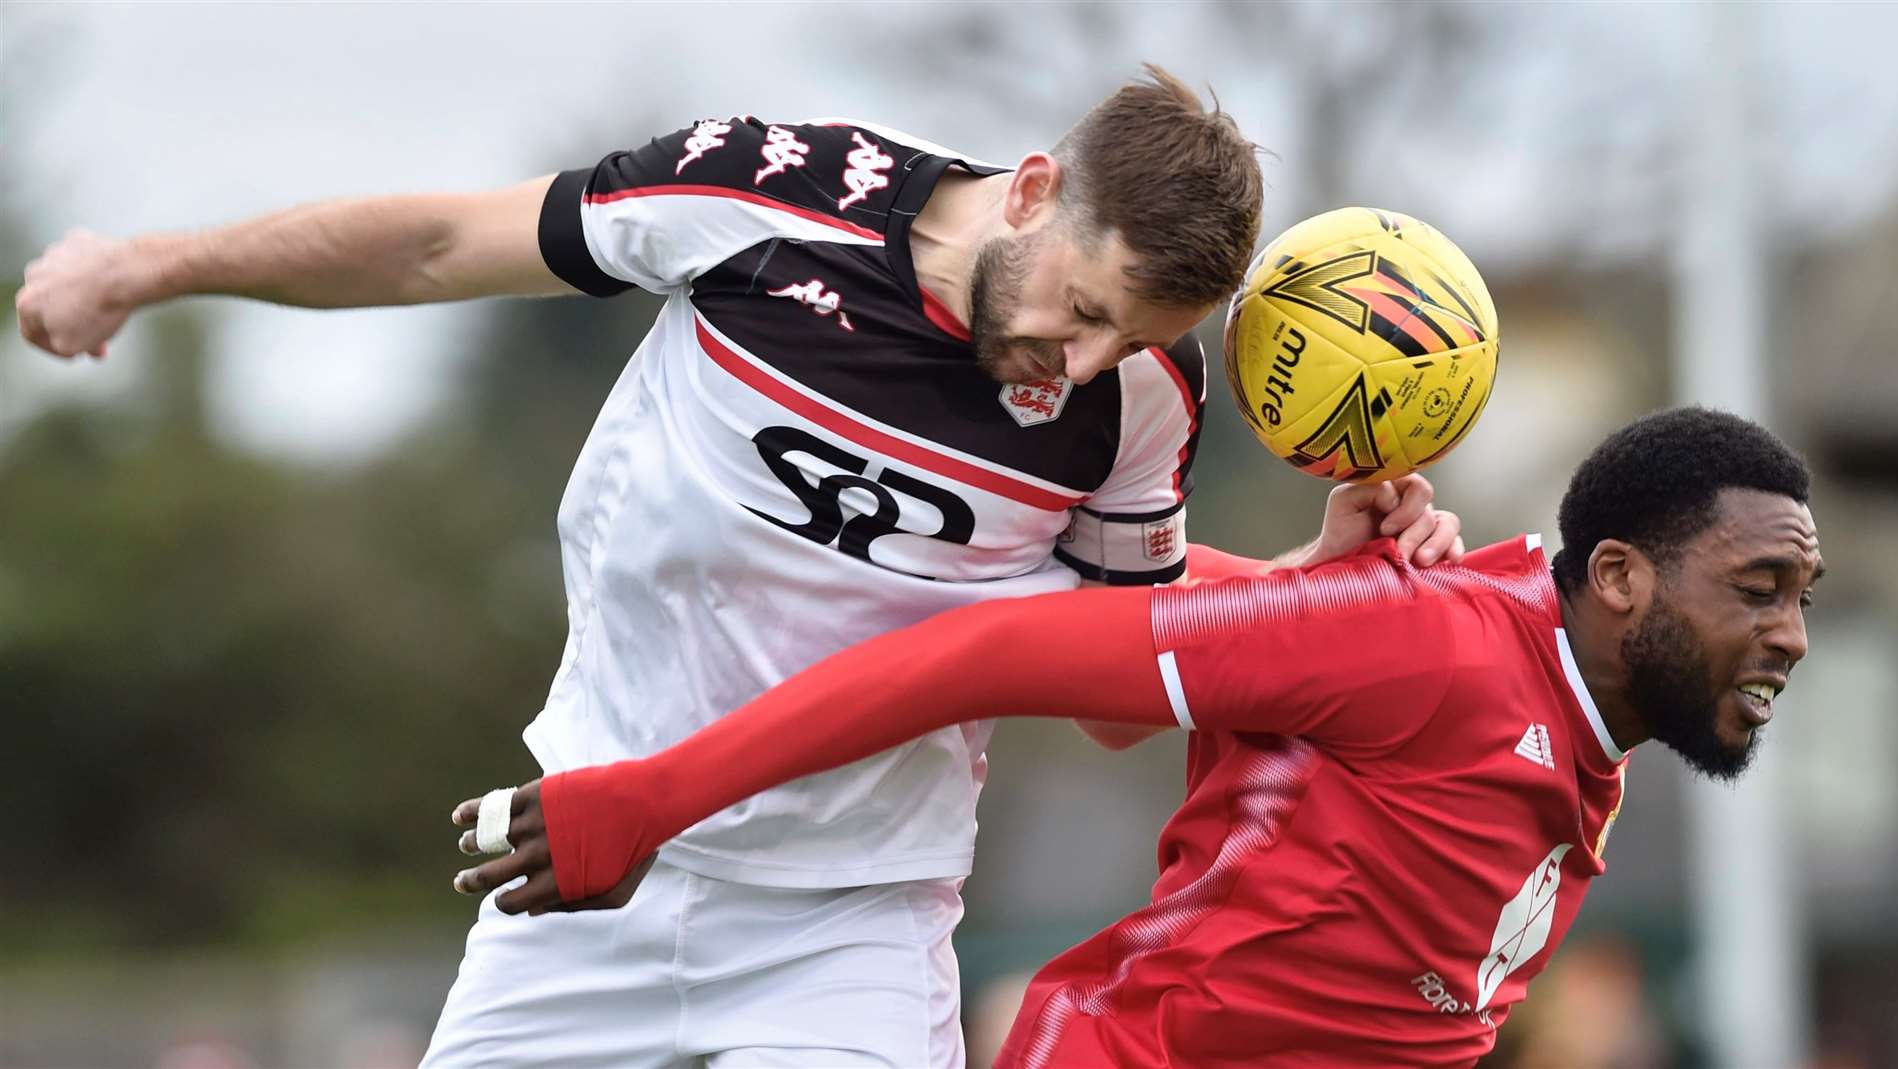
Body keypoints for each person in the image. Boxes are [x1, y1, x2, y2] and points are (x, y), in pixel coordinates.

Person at [17, 68, 1466, 1067]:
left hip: (860, 912)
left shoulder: (1143, 395)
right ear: (1032, 189)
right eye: (1083, 309)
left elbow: (1109, 679)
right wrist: (148, 267)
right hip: (581, 871)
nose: (1082, 363)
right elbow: (436, 244)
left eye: (1127, 337)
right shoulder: (776, 199)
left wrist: (1306, 586)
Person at [451, 406, 1821, 1068]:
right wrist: (649, 795)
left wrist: (1293, 579)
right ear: (1624, 577)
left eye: (1800, 597)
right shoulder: (1439, 645)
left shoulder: (1565, 700)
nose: (1792, 635)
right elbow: (987, 648)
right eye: (1757, 590)